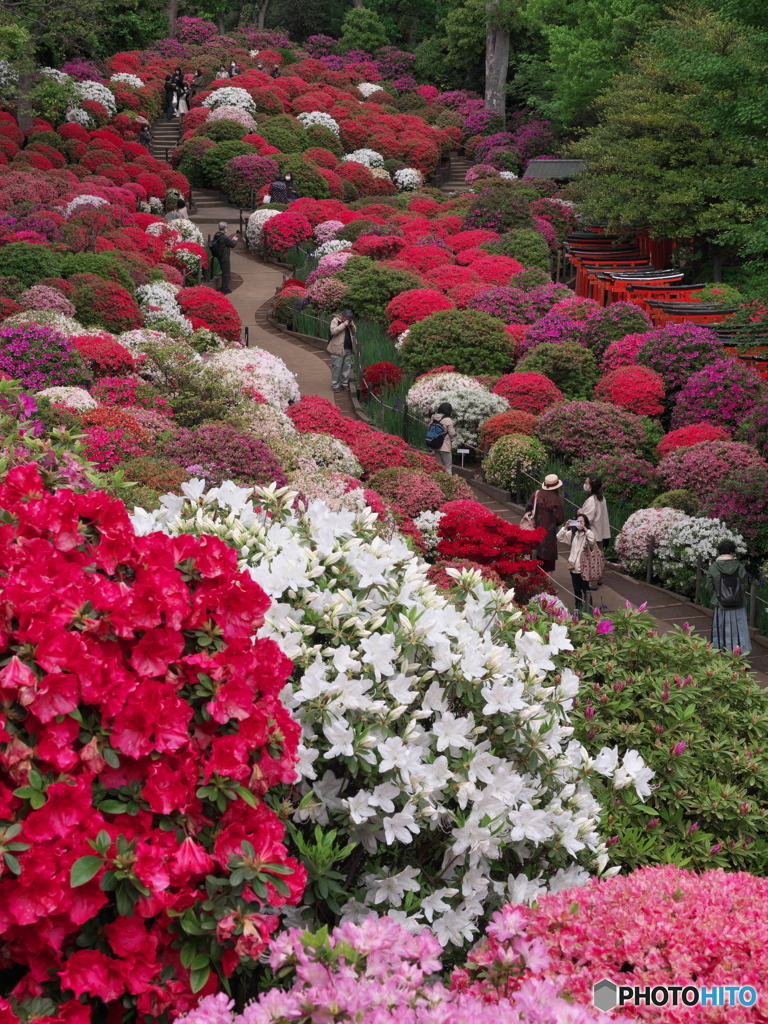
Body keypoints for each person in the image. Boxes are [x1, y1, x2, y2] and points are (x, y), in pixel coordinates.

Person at [706, 540, 752, 654]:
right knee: (739, 629)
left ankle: (721, 653)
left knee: (721, 629)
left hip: (720, 604)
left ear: (720, 552)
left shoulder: (713, 567)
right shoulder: (739, 566)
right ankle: (741, 654)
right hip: (738, 604)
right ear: (732, 552)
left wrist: (718, 594)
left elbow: (708, 587)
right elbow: (745, 585)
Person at [557, 512, 596, 615]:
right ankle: (577, 609)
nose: (579, 524)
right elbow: (559, 537)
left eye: (581, 521)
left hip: (584, 567)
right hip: (573, 566)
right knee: (576, 589)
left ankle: (589, 609)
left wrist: (585, 529)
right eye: (578, 521)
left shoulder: (588, 534)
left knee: (585, 588)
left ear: (585, 523)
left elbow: (593, 541)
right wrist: (566, 527)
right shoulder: (573, 534)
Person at [524, 473, 564, 573]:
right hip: (549, 535)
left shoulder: (536, 494)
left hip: (535, 531)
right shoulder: (557, 500)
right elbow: (560, 519)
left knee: (535, 557)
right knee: (549, 562)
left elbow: (528, 508)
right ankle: (547, 583)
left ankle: (534, 580)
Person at [327, 308, 357, 392]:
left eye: (349, 317)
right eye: (347, 316)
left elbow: (354, 332)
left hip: (348, 348)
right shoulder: (335, 320)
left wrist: (351, 326)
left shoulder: (350, 321)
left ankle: (344, 383)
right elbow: (333, 331)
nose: (348, 318)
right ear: (343, 315)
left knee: (346, 367)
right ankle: (335, 385)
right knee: (336, 367)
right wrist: (343, 324)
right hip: (337, 348)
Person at [579, 476, 610, 551]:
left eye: (586, 483)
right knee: (598, 559)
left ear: (591, 485)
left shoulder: (592, 500)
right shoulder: (601, 498)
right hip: (599, 537)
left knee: (590, 560)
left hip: (591, 538)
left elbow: (586, 521)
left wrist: (580, 514)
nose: (585, 485)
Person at [211, 221, 239, 294]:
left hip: (219, 256)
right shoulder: (223, 237)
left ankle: (224, 287)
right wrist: (235, 240)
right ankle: (224, 288)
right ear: (224, 228)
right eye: (226, 227)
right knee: (226, 273)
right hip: (224, 257)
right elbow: (232, 245)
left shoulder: (216, 235)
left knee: (224, 272)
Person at [428, 402, 456, 473]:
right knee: (448, 467)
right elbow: (452, 433)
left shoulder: (433, 417)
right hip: (445, 446)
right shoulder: (447, 419)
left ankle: (439, 481)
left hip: (435, 444)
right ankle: (448, 483)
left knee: (439, 466)